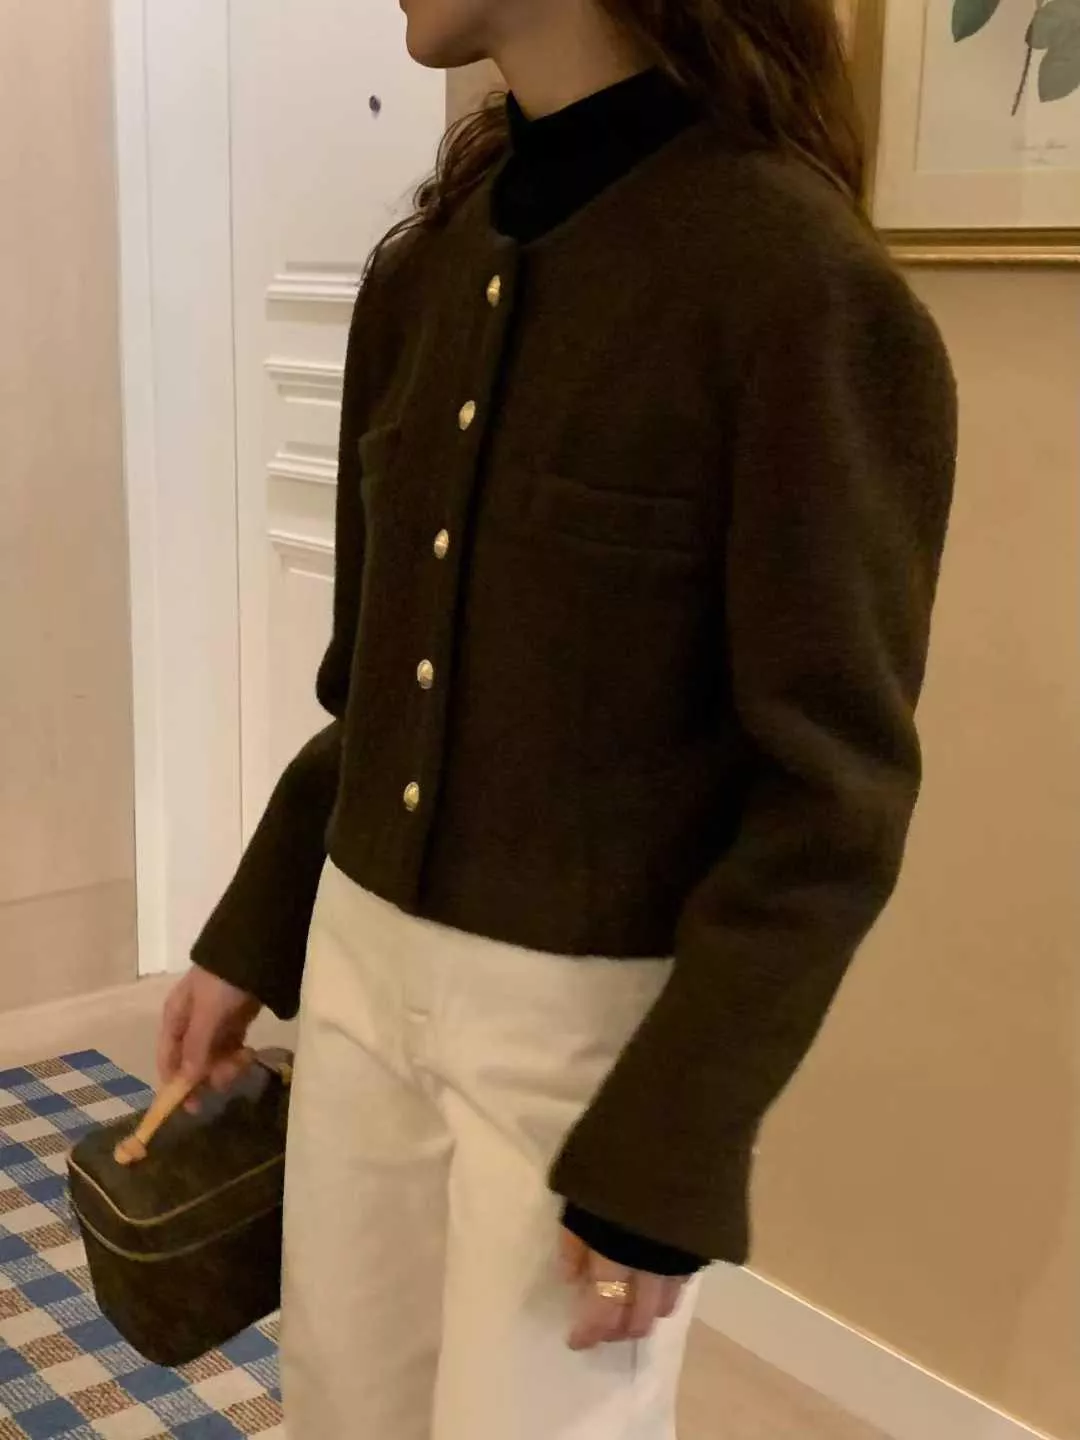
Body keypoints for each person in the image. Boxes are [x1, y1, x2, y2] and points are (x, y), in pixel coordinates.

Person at [157, 0, 958, 1435]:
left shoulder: (795, 284)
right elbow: (375, 690)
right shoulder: (423, 267)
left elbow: (832, 802)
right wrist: (254, 933)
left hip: (580, 1030)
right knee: (339, 1400)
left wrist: (676, 1142)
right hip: (358, 961)